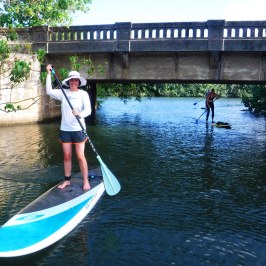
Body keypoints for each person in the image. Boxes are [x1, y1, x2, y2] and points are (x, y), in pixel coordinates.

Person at [46, 64, 92, 190]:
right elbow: (49, 91)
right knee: (67, 156)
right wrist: (49, 74)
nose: (73, 82)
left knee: (80, 156)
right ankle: (67, 180)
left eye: (76, 80)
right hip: (65, 130)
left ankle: (86, 181)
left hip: (79, 129)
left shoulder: (83, 94)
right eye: (71, 80)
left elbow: (88, 110)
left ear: (78, 82)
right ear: (68, 82)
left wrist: (80, 114)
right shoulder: (63, 93)